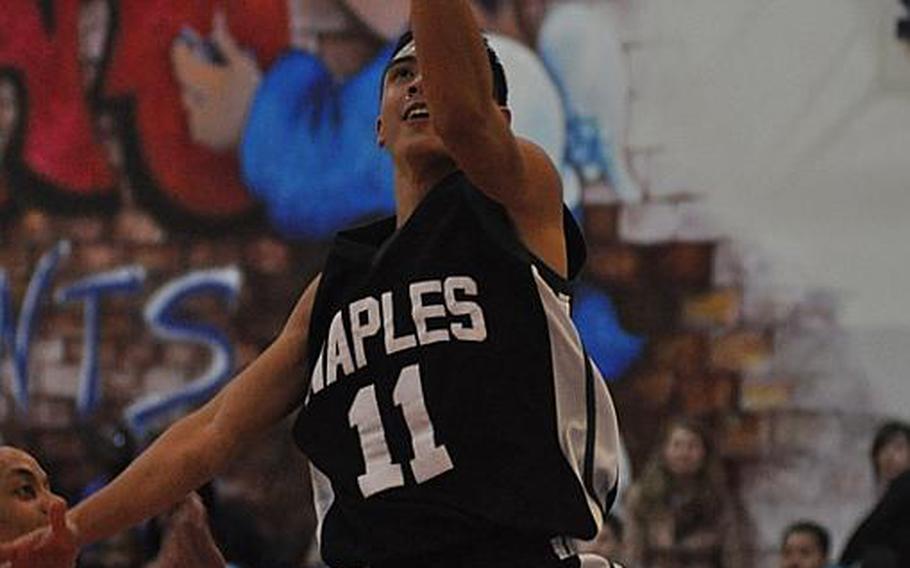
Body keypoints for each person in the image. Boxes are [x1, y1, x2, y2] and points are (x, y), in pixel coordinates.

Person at [0, 2, 621, 567]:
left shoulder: (519, 204)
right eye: (402, 76)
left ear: (502, 117)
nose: (420, 84)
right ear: (377, 125)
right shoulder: (336, 288)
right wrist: (75, 529)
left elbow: (465, 118)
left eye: (435, 70)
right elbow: (212, 431)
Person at [623, 417, 747, 568]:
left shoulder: (720, 499)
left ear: (704, 453)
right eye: (677, 445)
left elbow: (733, 553)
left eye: (692, 446)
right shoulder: (642, 497)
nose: (684, 454)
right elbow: (632, 552)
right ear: (664, 450)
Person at [839, 420, 910, 568]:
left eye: (899, 448)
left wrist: (843, 563)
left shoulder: (904, 484)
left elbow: (870, 530)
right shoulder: (895, 492)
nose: (889, 456)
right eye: (882, 449)